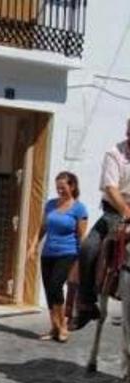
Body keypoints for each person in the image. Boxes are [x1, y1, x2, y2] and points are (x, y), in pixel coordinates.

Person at [74, 118, 130, 330]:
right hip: (116, 211)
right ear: (127, 132)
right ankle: (87, 302)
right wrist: (126, 210)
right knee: (89, 248)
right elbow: (110, 187)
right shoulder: (114, 154)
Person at [27, 171, 87, 342]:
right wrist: (33, 245)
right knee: (49, 291)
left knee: (55, 285)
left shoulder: (79, 208)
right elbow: (42, 227)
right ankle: (54, 327)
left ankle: (63, 326)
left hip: (67, 253)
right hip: (48, 253)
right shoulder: (51, 205)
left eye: (63, 187)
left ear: (72, 186)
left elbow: (81, 235)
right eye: (57, 187)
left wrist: (81, 259)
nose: (59, 190)